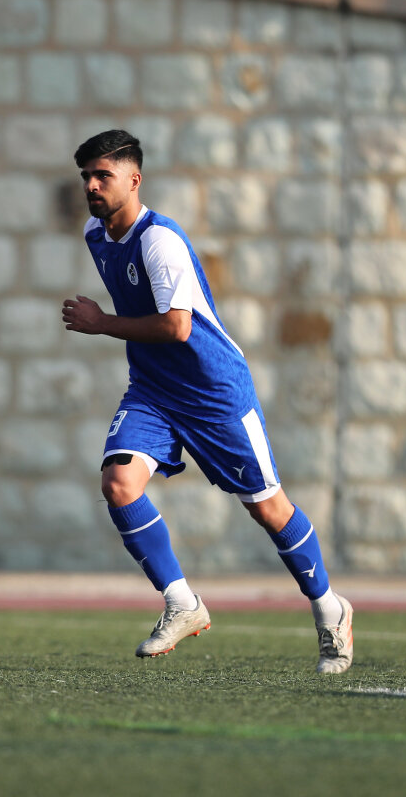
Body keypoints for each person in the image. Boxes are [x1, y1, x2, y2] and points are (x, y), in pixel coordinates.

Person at [61, 129, 353, 673]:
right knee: (118, 483)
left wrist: (102, 323)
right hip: (153, 390)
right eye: (86, 177)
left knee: (268, 509)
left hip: (213, 391)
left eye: (103, 175)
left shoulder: (160, 241)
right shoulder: (95, 233)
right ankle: (182, 603)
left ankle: (329, 609)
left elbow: (177, 327)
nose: (92, 186)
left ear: (134, 179)